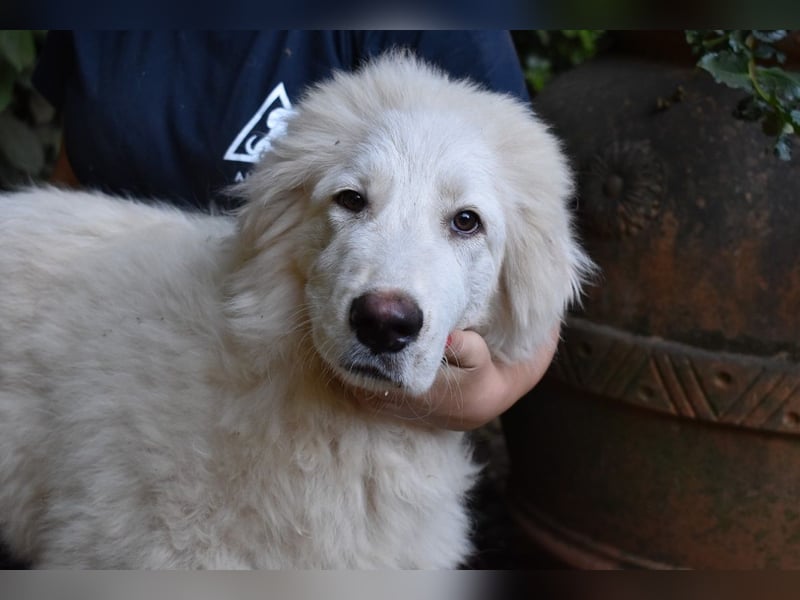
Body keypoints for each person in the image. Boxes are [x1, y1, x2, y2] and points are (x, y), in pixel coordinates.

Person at [34, 30, 560, 431]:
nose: (385, 311)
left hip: (355, 419)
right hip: (121, 353)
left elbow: (534, 258)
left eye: (463, 221)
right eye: (353, 199)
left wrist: (489, 394)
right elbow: (72, 179)